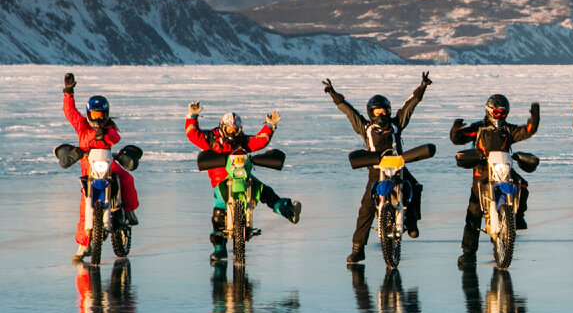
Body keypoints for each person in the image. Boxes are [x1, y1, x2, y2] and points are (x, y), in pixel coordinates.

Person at [324, 74, 432, 264]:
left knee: (414, 187)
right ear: (370, 113)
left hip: (398, 166)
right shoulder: (365, 127)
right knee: (366, 207)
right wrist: (334, 94)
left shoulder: (396, 124)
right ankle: (358, 249)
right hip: (376, 170)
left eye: (384, 111)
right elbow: (349, 112)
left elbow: (409, 106)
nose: (381, 115)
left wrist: (422, 87)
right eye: (377, 112)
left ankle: (412, 222)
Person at [186, 104, 300, 262]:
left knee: (264, 191)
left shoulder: (242, 140)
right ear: (223, 127)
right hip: (221, 179)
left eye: (236, 129)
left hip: (242, 176)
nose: (233, 132)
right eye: (230, 129)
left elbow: (259, 141)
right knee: (219, 212)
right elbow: (193, 134)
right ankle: (219, 249)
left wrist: (270, 126)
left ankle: (288, 210)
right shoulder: (212, 138)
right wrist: (192, 115)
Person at [450, 94, 539, 268]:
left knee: (523, 185)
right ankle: (468, 253)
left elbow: (526, 131)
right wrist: (456, 129)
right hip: (483, 170)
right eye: (497, 112)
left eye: (503, 113)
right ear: (489, 110)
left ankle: (518, 216)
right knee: (474, 212)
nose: (500, 116)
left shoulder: (507, 129)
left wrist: (535, 117)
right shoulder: (479, 127)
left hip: (504, 168)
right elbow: (458, 139)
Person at [62, 73, 140, 262]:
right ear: (89, 114)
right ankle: (83, 245)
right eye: (94, 115)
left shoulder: (109, 128)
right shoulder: (82, 126)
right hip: (89, 170)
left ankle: (129, 210)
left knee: (127, 179)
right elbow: (70, 112)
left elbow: (115, 137)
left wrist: (104, 134)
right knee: (84, 208)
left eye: (100, 116)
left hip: (108, 166)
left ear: (105, 115)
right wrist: (68, 92)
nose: (97, 119)